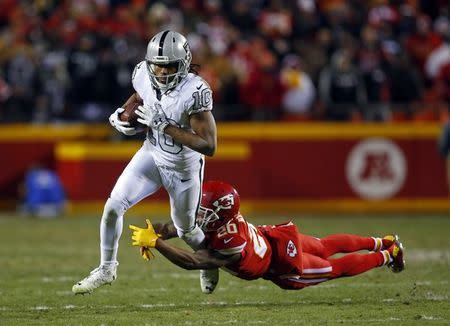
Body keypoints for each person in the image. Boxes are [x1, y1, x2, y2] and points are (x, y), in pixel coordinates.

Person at [72, 30, 218, 294]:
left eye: (169, 67)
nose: (162, 73)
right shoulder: (142, 74)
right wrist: (122, 115)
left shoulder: (194, 91)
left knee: (186, 230)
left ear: (183, 64)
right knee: (113, 206)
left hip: (183, 166)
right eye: (157, 67)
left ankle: (207, 261)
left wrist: (165, 126)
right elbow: (140, 98)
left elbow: (208, 145)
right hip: (151, 153)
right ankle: (107, 269)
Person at [129, 181, 405, 291]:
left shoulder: (230, 243)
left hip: (280, 265)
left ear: (220, 214)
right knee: (323, 245)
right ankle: (383, 240)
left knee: (332, 267)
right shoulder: (222, 219)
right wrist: (158, 231)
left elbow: (193, 261)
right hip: (272, 238)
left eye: (205, 211)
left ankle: (386, 253)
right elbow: (181, 224)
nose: (200, 215)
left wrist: (157, 243)